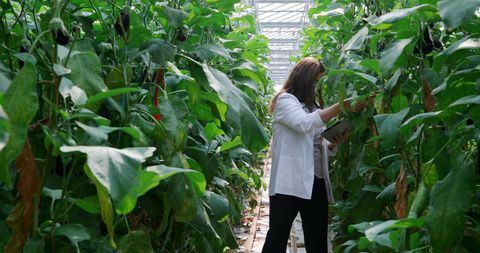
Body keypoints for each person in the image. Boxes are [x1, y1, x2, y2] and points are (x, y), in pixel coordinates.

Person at [262, 57, 365, 253]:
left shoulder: (313, 108)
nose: (317, 86)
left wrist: (332, 144)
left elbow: (315, 145)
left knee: (317, 240)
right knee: (277, 238)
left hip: (315, 182)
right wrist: (341, 106)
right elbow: (304, 124)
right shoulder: (285, 100)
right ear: (304, 79)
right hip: (289, 184)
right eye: (316, 81)